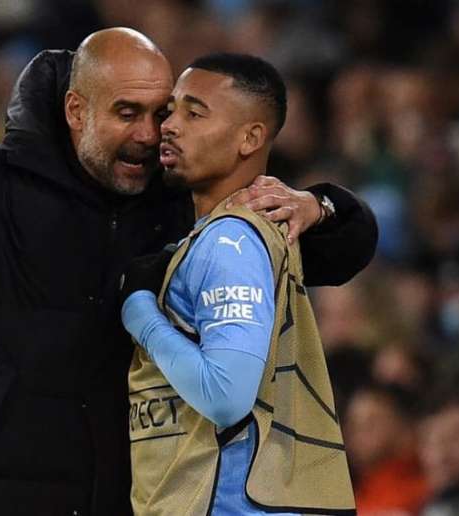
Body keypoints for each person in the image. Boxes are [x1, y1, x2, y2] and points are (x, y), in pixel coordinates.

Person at [0, 28, 377, 515]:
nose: (152, 134)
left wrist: (321, 205)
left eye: (161, 113)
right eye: (128, 113)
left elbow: (339, 252)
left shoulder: (179, 202)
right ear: (76, 110)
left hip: (117, 500)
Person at [121, 53, 357, 514]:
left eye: (194, 112)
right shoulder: (231, 234)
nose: (169, 124)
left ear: (250, 137)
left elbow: (226, 395)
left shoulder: (231, 240)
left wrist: (140, 313)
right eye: (171, 110)